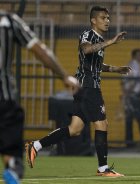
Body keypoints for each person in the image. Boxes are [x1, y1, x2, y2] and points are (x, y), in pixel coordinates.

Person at [25, 6, 131, 177]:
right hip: (88, 87)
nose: (107, 21)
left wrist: (115, 69)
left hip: (85, 87)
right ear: (93, 20)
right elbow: (87, 49)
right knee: (102, 124)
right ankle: (103, 169)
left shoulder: (98, 39)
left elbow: (95, 64)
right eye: (103, 18)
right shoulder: (88, 35)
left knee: (74, 129)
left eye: (108, 18)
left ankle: (36, 145)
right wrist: (111, 42)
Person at [0, 10, 80, 184]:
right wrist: (64, 76)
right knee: (11, 155)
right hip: (4, 99)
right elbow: (40, 50)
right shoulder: (8, 20)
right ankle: (13, 166)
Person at [121, 48, 140, 147]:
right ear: (134, 56)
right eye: (139, 55)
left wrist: (125, 94)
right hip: (134, 96)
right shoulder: (135, 66)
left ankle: (129, 142)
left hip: (130, 96)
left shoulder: (130, 65)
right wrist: (128, 94)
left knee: (129, 119)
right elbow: (133, 81)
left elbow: (123, 81)